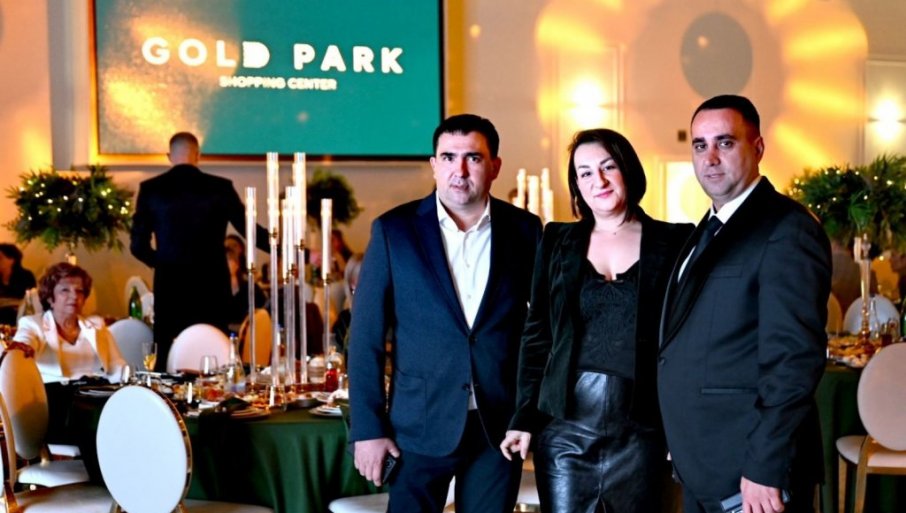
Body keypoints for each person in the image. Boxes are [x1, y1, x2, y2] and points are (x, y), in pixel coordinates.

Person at [348, 113, 542, 513]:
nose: (460, 170)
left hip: (497, 428)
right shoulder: (394, 231)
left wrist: (528, 413)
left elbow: (541, 331)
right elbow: (365, 338)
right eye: (449, 157)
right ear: (434, 165)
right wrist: (367, 429)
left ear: (494, 166)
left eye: (473, 157)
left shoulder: (525, 230)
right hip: (418, 424)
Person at [499, 129, 693, 513]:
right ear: (576, 184)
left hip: (644, 432)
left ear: (628, 170)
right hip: (565, 430)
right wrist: (523, 417)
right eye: (584, 173)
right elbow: (537, 335)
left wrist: (682, 427)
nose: (598, 181)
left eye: (608, 167)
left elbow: (686, 340)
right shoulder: (556, 240)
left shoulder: (675, 240)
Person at [658, 95, 831, 513]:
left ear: (758, 147)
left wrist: (765, 467)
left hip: (752, 473)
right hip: (704, 462)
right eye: (700, 145)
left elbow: (793, 361)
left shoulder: (787, 229)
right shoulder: (707, 228)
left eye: (725, 142)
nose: (710, 158)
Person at [130, 132, 268, 370]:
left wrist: (162, 263)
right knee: (214, 352)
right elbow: (249, 230)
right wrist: (288, 248)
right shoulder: (220, 188)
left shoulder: (151, 189)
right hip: (212, 287)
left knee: (167, 355)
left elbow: (138, 246)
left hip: (170, 286)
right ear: (198, 155)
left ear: (169, 156)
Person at [9, 262, 126, 383]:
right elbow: (23, 344)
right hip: (53, 392)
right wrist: (22, 348)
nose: (74, 296)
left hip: (96, 391)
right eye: (65, 290)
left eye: (79, 291)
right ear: (50, 297)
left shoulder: (97, 325)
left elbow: (117, 365)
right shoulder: (33, 324)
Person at [225, 234, 266, 328]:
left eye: (234, 246)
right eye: (227, 248)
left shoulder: (249, 282)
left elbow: (260, 305)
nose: (230, 249)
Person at [0, 243, 37, 325]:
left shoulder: (26, 276)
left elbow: (30, 300)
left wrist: (7, 302)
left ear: (12, 260)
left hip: (19, 317)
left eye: (0, 258)